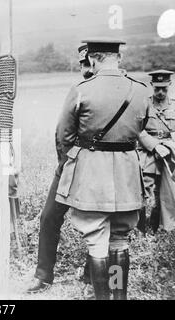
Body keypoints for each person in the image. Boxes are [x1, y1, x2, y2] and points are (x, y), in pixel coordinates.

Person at [53, 39, 150, 300]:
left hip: (91, 173)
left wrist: (69, 165)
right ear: (118, 58)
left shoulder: (82, 90)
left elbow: (63, 136)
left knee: (96, 238)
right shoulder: (140, 90)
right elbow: (142, 128)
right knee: (120, 238)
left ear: (93, 59)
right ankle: (118, 297)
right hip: (128, 174)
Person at [27, 44, 94, 293]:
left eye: (89, 64)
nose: (86, 70)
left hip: (95, 168)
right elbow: (61, 131)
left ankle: (90, 277)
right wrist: (65, 162)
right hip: (69, 166)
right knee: (49, 217)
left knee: (96, 221)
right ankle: (43, 275)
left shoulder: (109, 91)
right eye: (82, 65)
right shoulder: (77, 90)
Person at [137, 70, 175, 233]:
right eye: (157, 88)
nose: (160, 92)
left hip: (170, 154)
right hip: (148, 154)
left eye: (164, 89)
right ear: (151, 85)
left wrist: (169, 146)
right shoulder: (143, 104)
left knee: (168, 194)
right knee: (146, 193)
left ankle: (165, 229)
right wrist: (154, 145)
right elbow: (137, 129)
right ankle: (142, 230)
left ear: (170, 85)